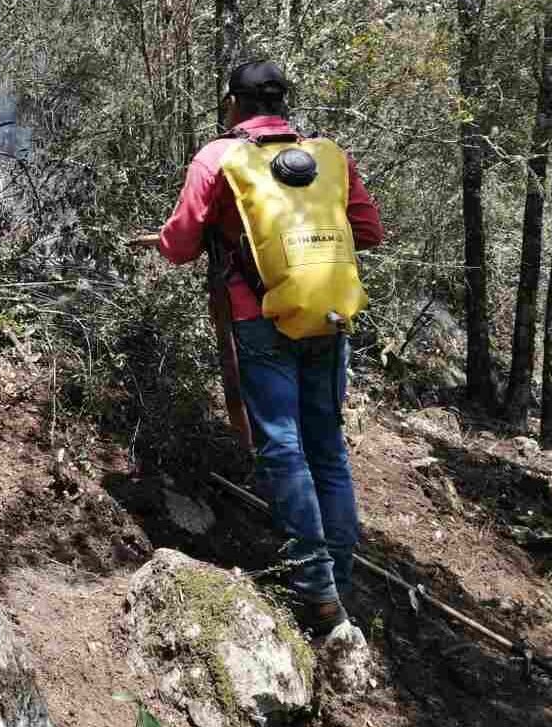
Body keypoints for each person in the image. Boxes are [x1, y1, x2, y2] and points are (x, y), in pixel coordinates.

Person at [132, 60, 385, 635]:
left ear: (232, 104)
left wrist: (176, 240)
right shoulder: (330, 156)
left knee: (282, 448)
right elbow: (368, 233)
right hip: (328, 317)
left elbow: (180, 244)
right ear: (283, 103)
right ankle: (338, 581)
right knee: (328, 450)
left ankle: (315, 590)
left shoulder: (218, 157)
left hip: (260, 320)